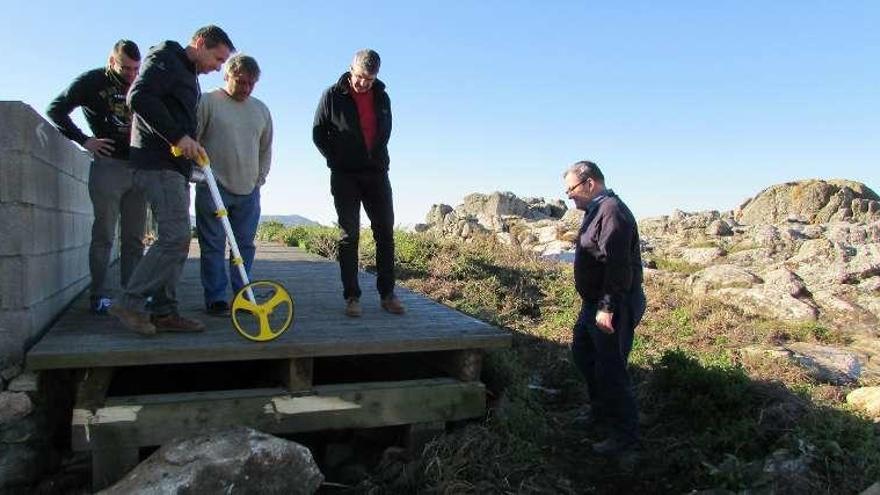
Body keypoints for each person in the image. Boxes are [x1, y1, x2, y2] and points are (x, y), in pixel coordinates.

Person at [109, 26, 235, 336]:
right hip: (156, 163)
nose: (219, 68)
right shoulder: (166, 56)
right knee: (176, 235)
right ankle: (130, 302)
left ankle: (164, 311)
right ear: (200, 43)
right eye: (218, 59)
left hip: (175, 168)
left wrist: (191, 142)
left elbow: (174, 113)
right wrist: (178, 136)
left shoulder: (188, 75)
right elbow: (138, 96)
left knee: (178, 242)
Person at [47, 40, 147, 315]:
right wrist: (84, 140)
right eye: (126, 68)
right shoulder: (92, 81)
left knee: (134, 238)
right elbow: (55, 110)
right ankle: (99, 295)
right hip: (108, 165)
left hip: (138, 166)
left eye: (136, 69)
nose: (131, 74)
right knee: (104, 234)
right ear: (111, 61)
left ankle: (132, 295)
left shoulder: (142, 82)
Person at [312, 49, 405, 317]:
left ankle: (388, 295)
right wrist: (336, 158)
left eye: (370, 79)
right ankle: (352, 297)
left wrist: (376, 157)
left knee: (385, 232)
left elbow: (384, 132)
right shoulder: (332, 95)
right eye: (361, 77)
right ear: (351, 69)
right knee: (349, 234)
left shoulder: (383, 97)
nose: (364, 83)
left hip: (376, 174)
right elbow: (318, 132)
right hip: (345, 176)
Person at [563, 160, 646, 456]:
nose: (569, 196)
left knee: (612, 370)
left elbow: (618, 266)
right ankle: (600, 413)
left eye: (571, 189)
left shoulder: (612, 211)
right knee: (584, 355)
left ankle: (625, 438)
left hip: (614, 305)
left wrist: (607, 307)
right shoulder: (596, 210)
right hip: (593, 304)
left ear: (589, 183)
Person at [195, 54, 273, 316]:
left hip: (249, 190)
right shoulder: (207, 102)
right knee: (213, 245)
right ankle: (216, 298)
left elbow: (265, 149)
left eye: (252, 83)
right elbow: (192, 142)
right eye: (241, 82)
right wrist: (201, 176)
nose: (246, 88)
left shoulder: (261, 110)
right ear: (226, 76)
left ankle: (244, 295)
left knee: (245, 245)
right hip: (213, 188)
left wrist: (259, 179)